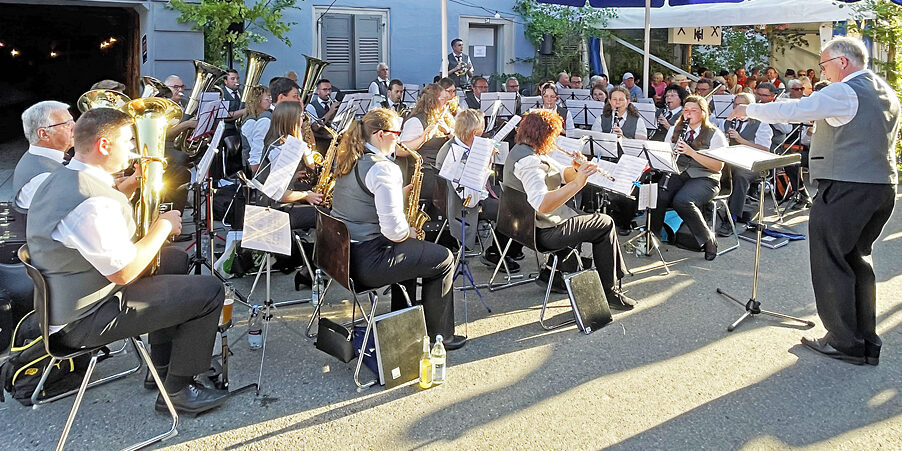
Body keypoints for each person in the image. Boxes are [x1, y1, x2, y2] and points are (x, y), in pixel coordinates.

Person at [26, 108, 227, 415]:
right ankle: (178, 390)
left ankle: (161, 367)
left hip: (70, 300)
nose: (134, 149)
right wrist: (161, 226)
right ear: (104, 146)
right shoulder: (91, 202)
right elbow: (124, 272)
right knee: (210, 290)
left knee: (171, 260)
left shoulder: (65, 176)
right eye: (128, 141)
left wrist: (126, 188)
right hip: (84, 320)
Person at [729, 37, 900, 366]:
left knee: (830, 261)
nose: (823, 70)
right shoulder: (885, 90)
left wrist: (748, 108)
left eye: (825, 64)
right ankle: (865, 340)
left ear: (843, 62)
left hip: (847, 186)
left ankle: (843, 341)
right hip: (881, 185)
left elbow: (795, 110)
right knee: (857, 260)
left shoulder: (844, 90)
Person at [330, 108, 465, 348]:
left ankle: (403, 321)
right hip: (368, 263)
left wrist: (397, 195)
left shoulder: (351, 159)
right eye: (396, 133)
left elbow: (360, 199)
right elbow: (394, 232)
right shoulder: (384, 168)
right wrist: (409, 232)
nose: (400, 139)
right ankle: (440, 336)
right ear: (380, 134)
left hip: (343, 257)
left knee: (414, 256)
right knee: (443, 258)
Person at [503, 109, 633, 310]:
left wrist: (577, 168)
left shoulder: (524, 150)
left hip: (527, 226)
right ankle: (610, 291)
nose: (556, 139)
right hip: (543, 231)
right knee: (604, 223)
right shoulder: (530, 162)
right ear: (544, 135)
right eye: (555, 135)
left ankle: (554, 275)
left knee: (579, 217)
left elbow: (563, 174)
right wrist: (579, 183)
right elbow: (542, 203)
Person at [434, 109, 522, 272]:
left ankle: (511, 248)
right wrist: (486, 162)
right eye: (482, 131)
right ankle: (496, 253)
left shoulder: (461, 143)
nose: (484, 135)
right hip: (464, 203)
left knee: (519, 197)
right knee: (515, 210)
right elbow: (470, 196)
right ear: (474, 133)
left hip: (474, 193)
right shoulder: (453, 153)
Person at [652, 95, 727, 261]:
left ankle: (708, 239)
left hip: (706, 177)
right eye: (686, 110)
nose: (689, 114)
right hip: (680, 172)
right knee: (658, 195)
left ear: (703, 113)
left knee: (682, 201)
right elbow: (665, 155)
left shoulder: (715, 134)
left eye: (694, 110)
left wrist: (691, 152)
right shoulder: (675, 129)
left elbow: (718, 166)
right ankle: (653, 237)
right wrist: (671, 154)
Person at [257, 102, 325, 231]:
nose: (303, 120)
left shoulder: (279, 140)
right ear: (291, 121)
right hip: (274, 210)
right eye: (301, 117)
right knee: (324, 213)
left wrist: (292, 177)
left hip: (276, 203)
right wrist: (306, 195)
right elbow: (278, 195)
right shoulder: (281, 149)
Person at [718, 93, 772, 235]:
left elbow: (765, 149)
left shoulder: (761, 123)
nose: (737, 108)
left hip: (753, 163)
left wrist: (741, 140)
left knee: (740, 176)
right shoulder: (728, 121)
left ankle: (731, 218)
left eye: (741, 106)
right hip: (731, 160)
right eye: (735, 105)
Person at [14, 101, 74, 214]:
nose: (76, 127)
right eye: (67, 124)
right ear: (44, 134)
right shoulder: (43, 178)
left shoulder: (40, 157)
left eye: (73, 121)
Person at [241, 85, 272, 172]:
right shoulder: (250, 122)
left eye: (270, 98)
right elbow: (256, 147)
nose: (270, 101)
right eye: (267, 99)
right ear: (257, 101)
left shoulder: (262, 117)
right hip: (252, 166)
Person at [304, 79, 339, 152]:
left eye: (329, 89)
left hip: (335, 141)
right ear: (318, 91)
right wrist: (330, 112)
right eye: (325, 90)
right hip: (321, 143)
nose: (328, 92)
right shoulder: (311, 106)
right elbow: (315, 127)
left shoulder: (334, 103)